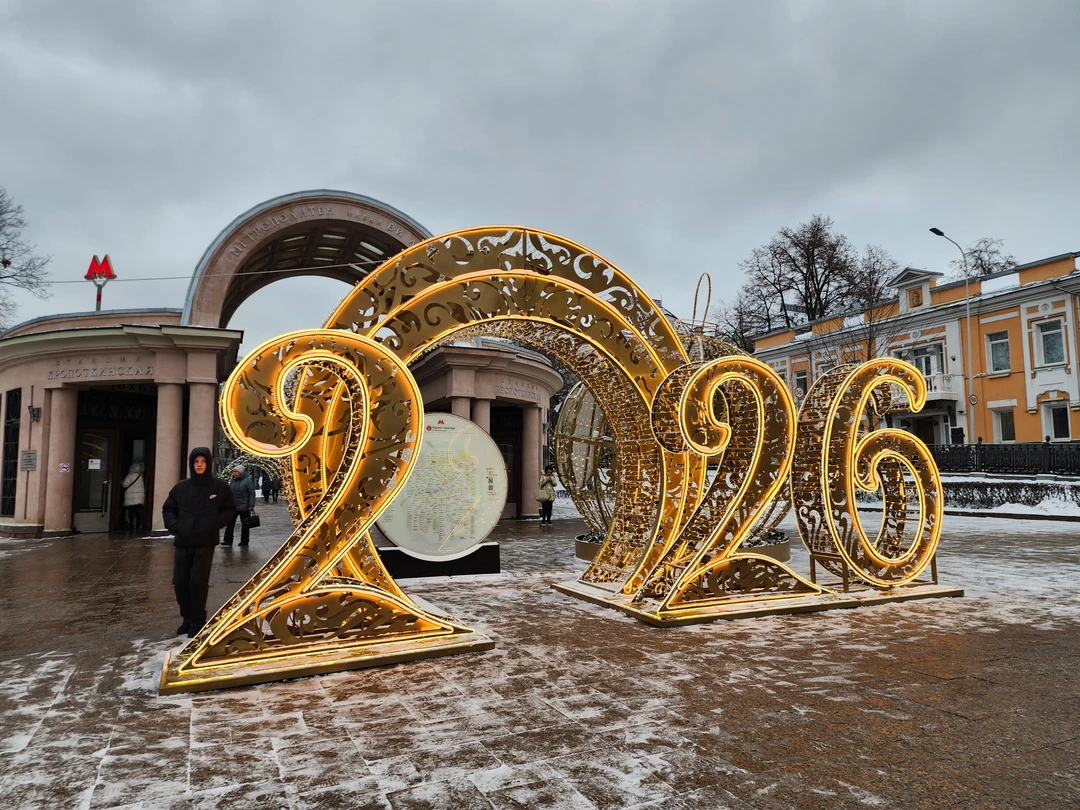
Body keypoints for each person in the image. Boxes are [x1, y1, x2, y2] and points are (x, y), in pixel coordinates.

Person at [162, 447, 235, 637]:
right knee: (180, 582)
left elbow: (229, 509)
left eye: (203, 461)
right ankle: (186, 618)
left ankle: (197, 621)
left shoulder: (219, 488)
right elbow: (168, 509)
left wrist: (214, 524)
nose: (199, 465)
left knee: (197, 582)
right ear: (192, 464)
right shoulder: (181, 488)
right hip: (183, 542)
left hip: (205, 543)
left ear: (208, 464)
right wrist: (176, 527)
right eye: (196, 462)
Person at [224, 464, 256, 546]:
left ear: (241, 472)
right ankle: (227, 540)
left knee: (245, 524)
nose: (234, 473)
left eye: (236, 471)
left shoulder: (248, 481)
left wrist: (251, 505)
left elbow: (252, 493)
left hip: (244, 506)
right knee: (230, 523)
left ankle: (244, 541)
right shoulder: (233, 480)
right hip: (233, 506)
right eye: (234, 471)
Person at [120, 462, 145, 531]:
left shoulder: (129, 475)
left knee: (130, 512)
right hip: (139, 497)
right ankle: (138, 525)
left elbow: (125, 484)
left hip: (130, 497)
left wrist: (121, 482)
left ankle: (131, 525)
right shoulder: (140, 476)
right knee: (137, 512)